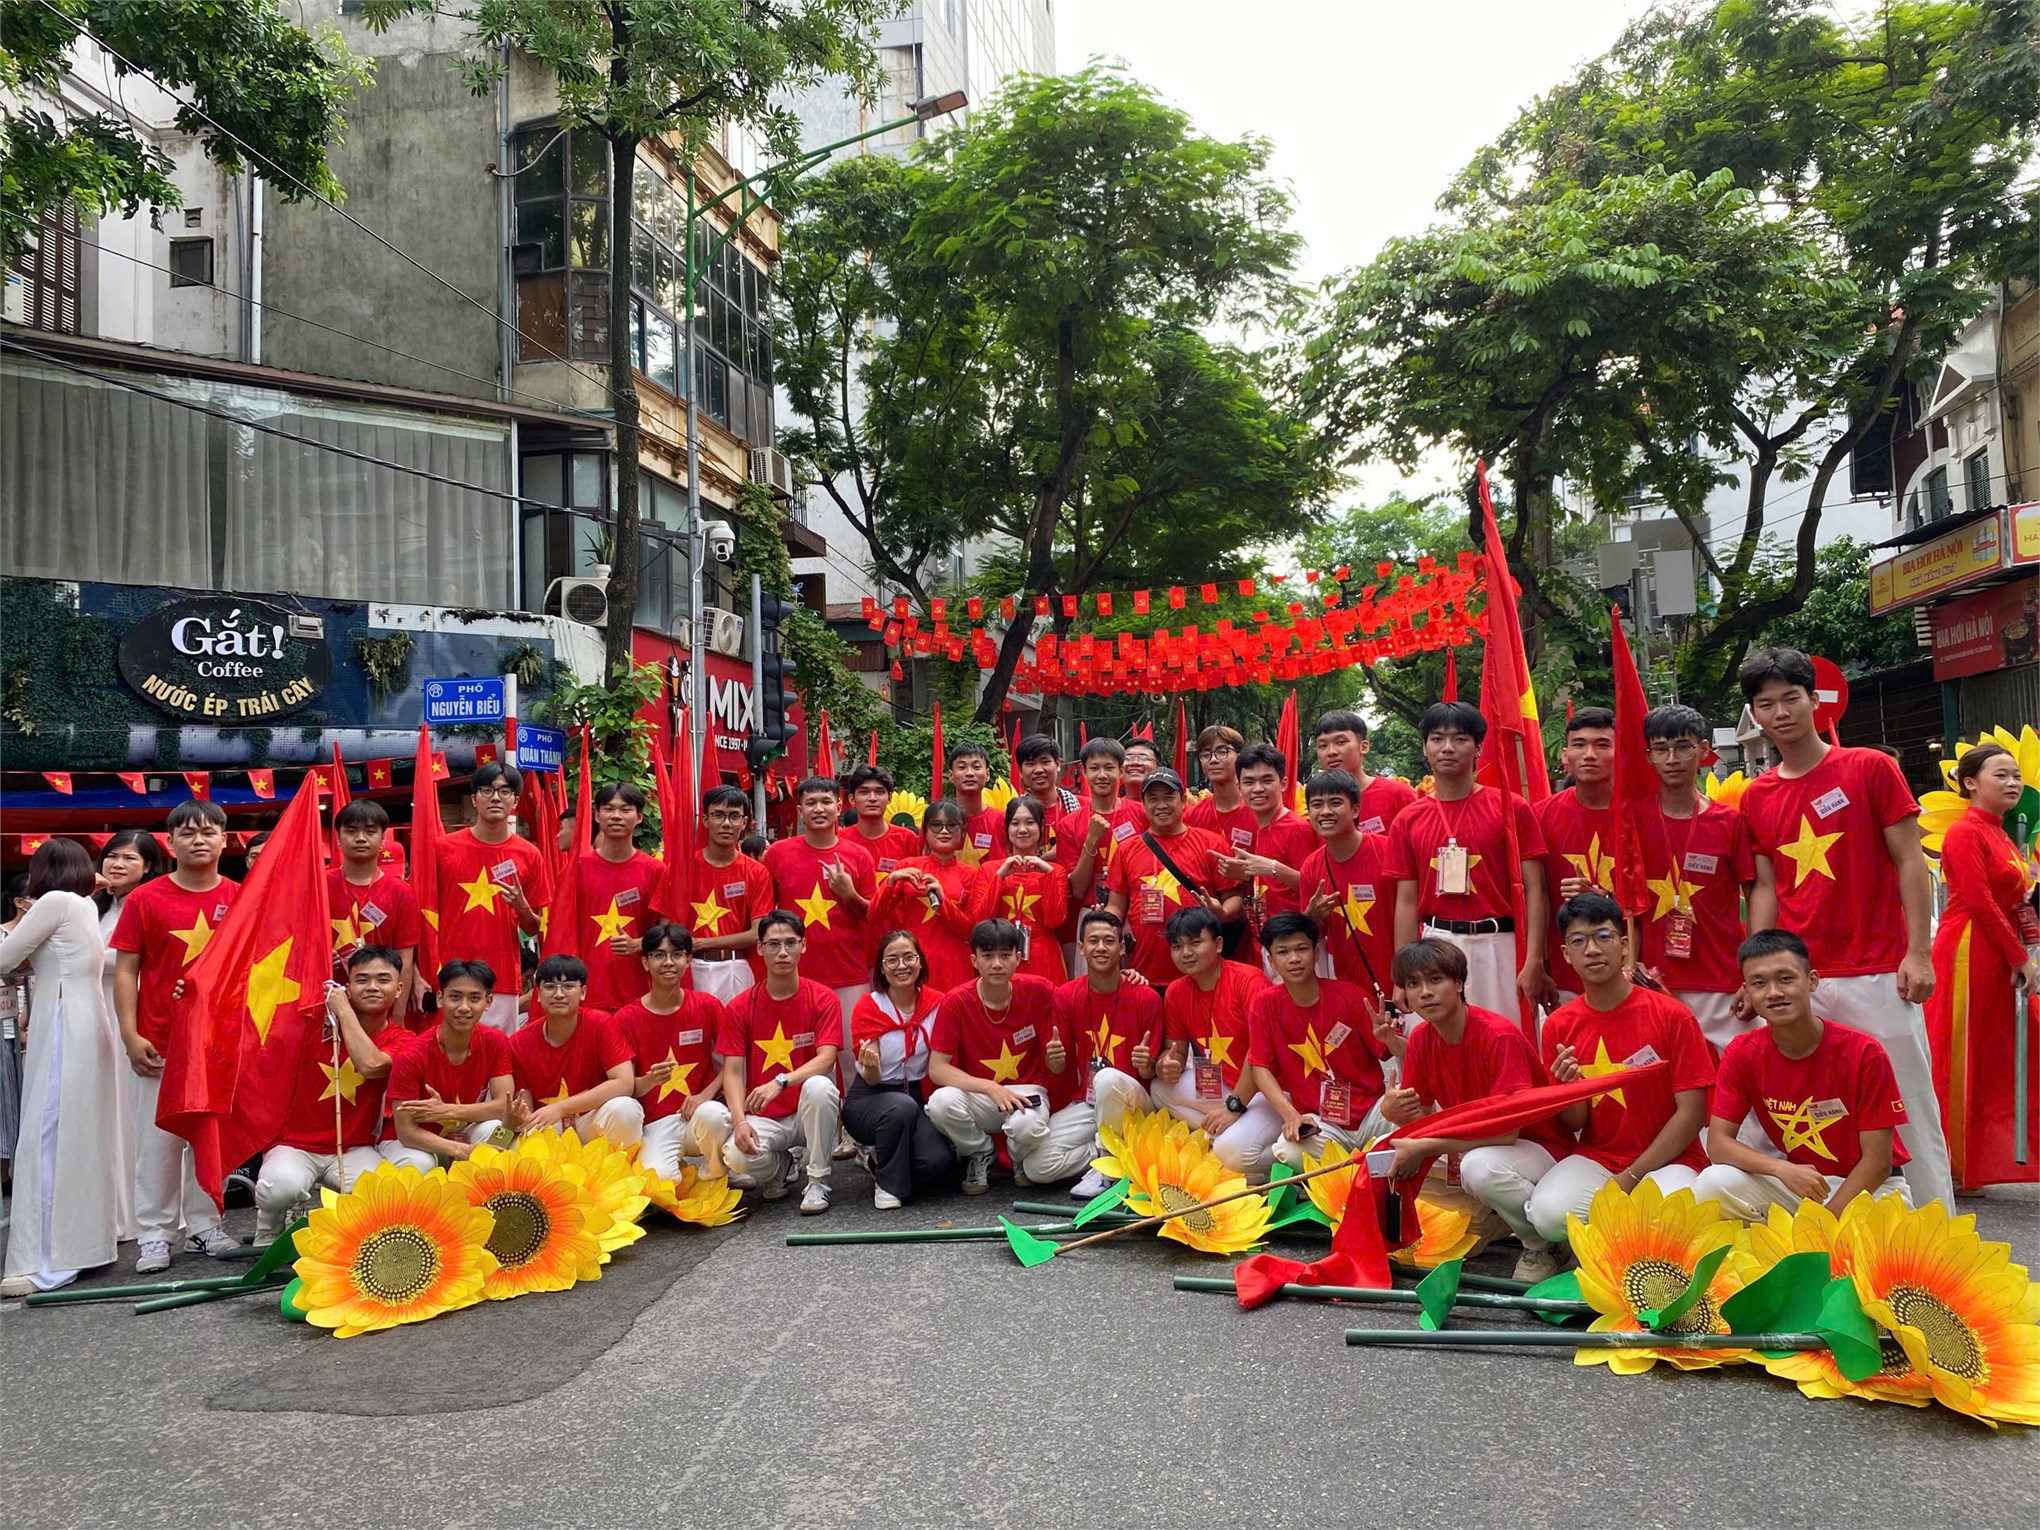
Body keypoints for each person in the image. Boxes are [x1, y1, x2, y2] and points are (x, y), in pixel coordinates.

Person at [1737, 646, 1953, 1208]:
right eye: (1767, 704)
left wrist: (1918, 953)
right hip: (1797, 978)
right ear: (1754, 717)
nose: (1781, 712)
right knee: (1802, 1113)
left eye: (1791, 698)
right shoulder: (1756, 796)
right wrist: (1753, 974)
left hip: (1878, 970)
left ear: (1814, 700)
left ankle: (1936, 1240)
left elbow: (1912, 860)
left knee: (1907, 1108)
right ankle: (1824, 1239)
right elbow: (1764, 886)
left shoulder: (1869, 768)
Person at [1377, 937, 1572, 1282]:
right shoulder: (1422, 1038)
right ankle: (1493, 1215)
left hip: (1539, 1148)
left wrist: (1426, 1146)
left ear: (1459, 983)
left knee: (1477, 1168)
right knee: (1386, 1150)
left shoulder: (1498, 1036)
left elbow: (1506, 1133)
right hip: (1480, 1145)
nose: (1425, 992)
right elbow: (1423, 1118)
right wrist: (1394, 1113)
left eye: (1435, 980)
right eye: (1413, 984)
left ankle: (1543, 1245)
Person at [1527, 894, 1713, 1248]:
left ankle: (1615, 1246)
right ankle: (1584, 1250)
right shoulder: (1557, 1025)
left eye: (1603, 937)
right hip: (1599, 1157)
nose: (1592, 949)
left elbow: (1693, 1114)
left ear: (1624, 946)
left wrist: (1631, 1176)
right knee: (1548, 1216)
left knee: (1668, 1221)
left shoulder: (1672, 1015)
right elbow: (1576, 1122)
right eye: (1578, 941)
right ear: (1566, 955)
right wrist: (1570, 1090)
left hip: (1672, 1160)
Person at [1695, 930, 1913, 1220]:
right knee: (1712, 1185)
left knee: (1876, 1246)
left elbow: (1878, 1162)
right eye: (1759, 984)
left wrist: (1823, 1224)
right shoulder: (1742, 1052)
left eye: (1786, 979)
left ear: (1812, 981)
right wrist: (1780, 1168)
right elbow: (1719, 1144)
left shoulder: (1864, 1053)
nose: (1773, 992)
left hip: (1870, 1189)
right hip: (1801, 1183)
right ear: (1747, 991)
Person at [110, 800, 241, 1273]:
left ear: (226, 840)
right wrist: (130, 1034)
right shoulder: (145, 900)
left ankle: (207, 1226)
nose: (199, 840)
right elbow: (126, 971)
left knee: (209, 1138)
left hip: (219, 1045)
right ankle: (155, 1235)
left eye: (209, 832)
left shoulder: (242, 898)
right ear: (170, 843)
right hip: (160, 1042)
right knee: (158, 1142)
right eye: (187, 833)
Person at [0, 841, 125, 1295]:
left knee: (49, 1135)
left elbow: (5, 957)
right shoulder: (83, 906)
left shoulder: (55, 902)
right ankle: (81, 1246)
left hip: (61, 1025)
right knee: (78, 1135)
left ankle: (49, 1260)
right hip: (85, 1021)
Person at [1385, 702, 1550, 1027]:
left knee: (1506, 1042)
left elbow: (1536, 890)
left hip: (1498, 946)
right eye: (1437, 738)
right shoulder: (1408, 819)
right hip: (1433, 947)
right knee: (1438, 1050)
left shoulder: (1510, 808)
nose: (1447, 748)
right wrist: (1402, 973)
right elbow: (1405, 900)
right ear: (1425, 747)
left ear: (1478, 747)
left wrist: (1534, 960)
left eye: (1460, 738)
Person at [1924, 742, 2040, 1189]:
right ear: (1970, 783)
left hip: (1999, 946)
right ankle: (1951, 1161)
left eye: (2017, 775)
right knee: (1963, 1053)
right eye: (2002, 775)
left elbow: (2013, 898)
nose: (2013, 782)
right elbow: (1978, 900)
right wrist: (2018, 957)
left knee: (2003, 1049)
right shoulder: (1964, 832)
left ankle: (1990, 1153)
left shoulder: (2003, 831)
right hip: (1969, 951)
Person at [253, 945, 417, 1243]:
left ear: (399, 988)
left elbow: (371, 1065)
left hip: (353, 1147)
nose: (372, 987)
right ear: (348, 986)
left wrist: (343, 1012)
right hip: (294, 1144)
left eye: (383, 980)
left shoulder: (404, 1040)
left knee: (384, 1197)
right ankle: (270, 1225)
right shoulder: (313, 1021)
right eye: (362, 979)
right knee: (281, 1187)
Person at [692, 910, 843, 1213]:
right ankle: (781, 1166)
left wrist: (781, 1081)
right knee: (736, 1155)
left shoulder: (824, 998)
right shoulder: (739, 1006)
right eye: (773, 944)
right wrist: (740, 1122)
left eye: (790, 943)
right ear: (760, 949)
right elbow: (733, 1072)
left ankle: (817, 1180)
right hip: (762, 1114)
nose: (783, 952)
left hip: (807, 1112)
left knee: (819, 1087)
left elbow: (826, 1059)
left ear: (804, 946)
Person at [1635, 704, 1755, 1051]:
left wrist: (1753, 974)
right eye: (1661, 749)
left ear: (1703, 751)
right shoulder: (1634, 820)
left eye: (1683, 747)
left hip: (1724, 982)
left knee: (1738, 1095)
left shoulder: (1728, 822)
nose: (1672, 758)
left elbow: (1755, 890)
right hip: (1655, 981)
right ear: (1649, 756)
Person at [924, 918, 1062, 1192]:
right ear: (974, 960)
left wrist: (1128, 977)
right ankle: (981, 1153)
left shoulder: (1039, 989)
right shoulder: (956, 1001)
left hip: (1028, 1091)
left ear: (1018, 957)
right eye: (987, 956)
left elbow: (1084, 993)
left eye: (1004, 955)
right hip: (982, 1095)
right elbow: (937, 1069)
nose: (996, 964)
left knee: (1028, 1129)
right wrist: (989, 1087)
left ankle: (1018, 1156)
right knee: (940, 1103)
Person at [1248, 912, 1391, 1170]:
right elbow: (1260, 1067)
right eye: (1283, 952)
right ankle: (1361, 1170)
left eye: (1301, 949)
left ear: (1316, 953)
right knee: (1287, 1149)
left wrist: (1392, 1039)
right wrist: (1291, 1114)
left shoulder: (1351, 995)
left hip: (1371, 1112)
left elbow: (1391, 1052)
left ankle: (1353, 1169)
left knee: (1414, 1117)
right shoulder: (1264, 1004)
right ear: (1270, 959)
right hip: (1321, 1121)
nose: (1294, 959)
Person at [1151, 908, 1281, 1176]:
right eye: (1178, 946)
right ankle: (1229, 1135)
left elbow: (1259, 1053)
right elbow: (1174, 1050)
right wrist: (1167, 1063)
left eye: (1195, 943)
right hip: (1226, 1085)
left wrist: (1234, 1107)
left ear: (1218, 944)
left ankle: (1291, 1156)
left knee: (1233, 1151)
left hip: (1271, 1091)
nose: (1186, 953)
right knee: (1159, 1088)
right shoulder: (1176, 991)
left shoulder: (1249, 981)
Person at [435, 760, 550, 1033]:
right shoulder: (443, 848)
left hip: (502, 979)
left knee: (498, 1061)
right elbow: (424, 912)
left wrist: (522, 907)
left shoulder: (530, 855)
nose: (496, 797)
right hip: (448, 973)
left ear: (516, 800)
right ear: (474, 799)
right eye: (487, 790)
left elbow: (534, 927)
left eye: (505, 791)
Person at [1056, 909, 1163, 1199]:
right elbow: (1055, 1069)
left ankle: (1108, 1164)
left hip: (1134, 1100)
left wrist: (1147, 1065)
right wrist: (1054, 1059)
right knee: (1039, 1166)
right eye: (1093, 941)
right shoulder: (1066, 995)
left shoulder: (1146, 997)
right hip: (1090, 1102)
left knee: (1106, 1079)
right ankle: (1123, 1154)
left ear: (1122, 946)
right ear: (1081, 948)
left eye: (1109, 941)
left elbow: (1151, 1074)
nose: (1101, 948)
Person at [843, 930, 954, 1208]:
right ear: (881, 968)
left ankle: (878, 1159)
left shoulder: (938, 1004)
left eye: (908, 957)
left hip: (917, 1095)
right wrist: (870, 1067)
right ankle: (888, 1185)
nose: (901, 966)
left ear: (920, 962)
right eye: (891, 960)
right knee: (901, 1107)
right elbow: (872, 1076)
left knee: (937, 1164)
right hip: (871, 1095)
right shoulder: (869, 1006)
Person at [1104, 768, 1242, 986]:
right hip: (1144, 972)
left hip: (1202, 973)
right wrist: (1104, 925)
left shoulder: (1212, 844)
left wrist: (1222, 912)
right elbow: (1116, 905)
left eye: (1169, 797)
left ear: (1184, 800)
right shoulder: (1126, 849)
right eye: (1153, 799)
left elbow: (1234, 897)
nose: (1161, 805)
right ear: (1143, 803)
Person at [614, 924, 727, 1184]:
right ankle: (680, 1167)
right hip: (656, 1124)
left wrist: (705, 1095)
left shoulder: (707, 1005)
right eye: (658, 955)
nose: (668, 962)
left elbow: (734, 1063)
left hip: (700, 1112)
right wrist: (650, 1081)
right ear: (645, 962)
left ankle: (716, 1175)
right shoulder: (625, 1019)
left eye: (676, 954)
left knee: (716, 1116)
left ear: (688, 960)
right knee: (662, 1182)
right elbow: (625, 1088)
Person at [96, 828, 166, 1243]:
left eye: (129, 859)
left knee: (133, 1115)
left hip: (131, 1015)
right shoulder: (97, 907)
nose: (117, 865)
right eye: (112, 856)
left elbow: (127, 962)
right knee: (107, 1112)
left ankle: (144, 1216)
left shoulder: (146, 907)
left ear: (149, 868)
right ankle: (113, 1207)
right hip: (93, 1015)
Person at [762, 777, 876, 1029]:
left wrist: (849, 895)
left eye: (826, 802)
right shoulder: (777, 854)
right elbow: (766, 915)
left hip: (848, 974)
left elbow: (874, 916)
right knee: (798, 1055)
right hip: (793, 974)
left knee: (851, 1060)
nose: (819, 809)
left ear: (839, 807)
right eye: (811, 803)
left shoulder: (859, 856)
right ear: (800, 811)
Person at [384, 959, 515, 1167]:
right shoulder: (411, 1054)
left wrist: (446, 1111)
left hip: (462, 1131)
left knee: (497, 1130)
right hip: (412, 1141)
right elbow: (406, 1131)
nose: (464, 1007)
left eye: (474, 998)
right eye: (455, 997)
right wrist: (463, 1150)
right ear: (440, 998)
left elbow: (502, 1106)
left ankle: (482, 1197)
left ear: (488, 1002)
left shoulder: (496, 1041)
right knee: (419, 1163)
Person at [503, 954, 642, 1149]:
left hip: (591, 1120)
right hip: (549, 1126)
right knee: (510, 1145)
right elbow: (525, 1110)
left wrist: (560, 1107)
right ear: (538, 994)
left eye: (568, 986)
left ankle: (624, 1171)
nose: (559, 994)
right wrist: (516, 1119)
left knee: (624, 1109)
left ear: (583, 992)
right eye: (550, 987)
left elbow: (624, 1083)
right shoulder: (518, 1042)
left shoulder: (600, 1023)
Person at [654, 785, 773, 1003]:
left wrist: (701, 943)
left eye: (734, 816)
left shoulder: (756, 872)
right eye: (718, 815)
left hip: (736, 969)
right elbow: (665, 927)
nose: (726, 823)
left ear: (745, 823)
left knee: (737, 1035)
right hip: (689, 969)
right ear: (706, 820)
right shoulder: (682, 869)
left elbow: (758, 933)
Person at [1534, 707, 1617, 1005]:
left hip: (1633, 971)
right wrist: (1537, 961)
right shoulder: (1540, 816)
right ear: (1565, 755)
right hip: (1563, 975)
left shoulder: (1643, 816)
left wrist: (1602, 898)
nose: (1590, 754)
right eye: (1580, 745)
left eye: (1602, 744)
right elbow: (1533, 894)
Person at [563, 781, 665, 1012]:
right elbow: (562, 931)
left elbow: (668, 930)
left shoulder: (655, 871)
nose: (616, 816)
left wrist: (639, 944)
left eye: (625, 809)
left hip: (639, 994)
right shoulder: (575, 869)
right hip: (585, 993)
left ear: (639, 817)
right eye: (608, 809)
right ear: (597, 816)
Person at [869, 800, 990, 991]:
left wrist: (943, 902)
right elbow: (874, 915)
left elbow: (969, 931)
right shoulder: (906, 867)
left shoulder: (971, 874)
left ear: (963, 833)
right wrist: (890, 883)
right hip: (911, 964)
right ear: (925, 831)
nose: (944, 831)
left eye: (951, 825)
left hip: (954, 966)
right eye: (936, 825)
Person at [1296, 769, 1395, 1000]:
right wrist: (1311, 917)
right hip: (1348, 986)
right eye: (1317, 804)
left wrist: (1407, 973)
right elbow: (1315, 936)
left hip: (1401, 981)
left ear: (1355, 809)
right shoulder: (1311, 867)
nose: (1326, 812)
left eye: (1336, 803)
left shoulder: (1388, 851)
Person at [1053, 736, 1142, 969]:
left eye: (1109, 768)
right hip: (1091, 918)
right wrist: (1091, 840)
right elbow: (1076, 888)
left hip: (1136, 916)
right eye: (1094, 768)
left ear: (1121, 771)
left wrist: (1130, 912)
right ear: (1083, 771)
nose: (1102, 775)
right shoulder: (1069, 824)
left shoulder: (1141, 814)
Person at [1212, 743, 1316, 939]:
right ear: (1239, 787)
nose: (1257, 789)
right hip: (1267, 937)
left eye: (1267, 780)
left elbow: (1315, 887)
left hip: (1295, 940)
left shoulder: (1297, 828)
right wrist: (1246, 874)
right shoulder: (1256, 826)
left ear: (1283, 784)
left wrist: (1272, 868)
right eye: (1249, 782)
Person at [327, 799, 421, 1013]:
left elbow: (404, 961)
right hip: (327, 1003)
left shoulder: (401, 892)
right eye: (351, 831)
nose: (360, 838)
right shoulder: (318, 885)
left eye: (370, 831)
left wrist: (397, 1016)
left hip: (380, 1007)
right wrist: (318, 957)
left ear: (382, 840)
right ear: (338, 838)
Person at [976, 796, 1070, 983]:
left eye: (1030, 823)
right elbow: (980, 920)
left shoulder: (1056, 871)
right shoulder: (989, 869)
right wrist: (1000, 876)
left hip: (1044, 956)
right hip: (999, 956)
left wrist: (1047, 873)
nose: (1023, 830)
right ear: (1007, 829)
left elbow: (1054, 920)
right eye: (1015, 823)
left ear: (1041, 828)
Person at [1313, 709, 1418, 836]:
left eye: (1340, 742)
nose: (1331, 752)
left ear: (1363, 747)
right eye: (1323, 746)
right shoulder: (1315, 805)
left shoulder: (1398, 794)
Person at [844, 763, 920, 875]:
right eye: (864, 792)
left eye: (879, 792)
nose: (872, 798)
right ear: (852, 799)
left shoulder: (907, 839)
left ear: (889, 798)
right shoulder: (840, 839)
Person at [1186, 724, 1253, 849]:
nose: (1213, 760)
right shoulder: (1192, 816)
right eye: (1206, 754)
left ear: (1240, 757)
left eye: (1222, 752)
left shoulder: (1258, 811)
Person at [948, 743, 1008, 867]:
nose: (969, 773)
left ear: (987, 775)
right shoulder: (936, 821)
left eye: (976, 767)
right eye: (962, 767)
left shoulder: (1002, 821)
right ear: (951, 775)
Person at [1014, 733, 1082, 819]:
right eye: (1030, 764)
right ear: (1020, 771)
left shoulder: (1083, 807)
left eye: (1045, 762)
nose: (1038, 770)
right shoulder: (1013, 814)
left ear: (1057, 764)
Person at [1120, 738, 1159, 817]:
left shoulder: (1173, 809)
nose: (1135, 762)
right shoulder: (1111, 810)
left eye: (1144, 758)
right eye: (1128, 758)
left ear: (1157, 767)